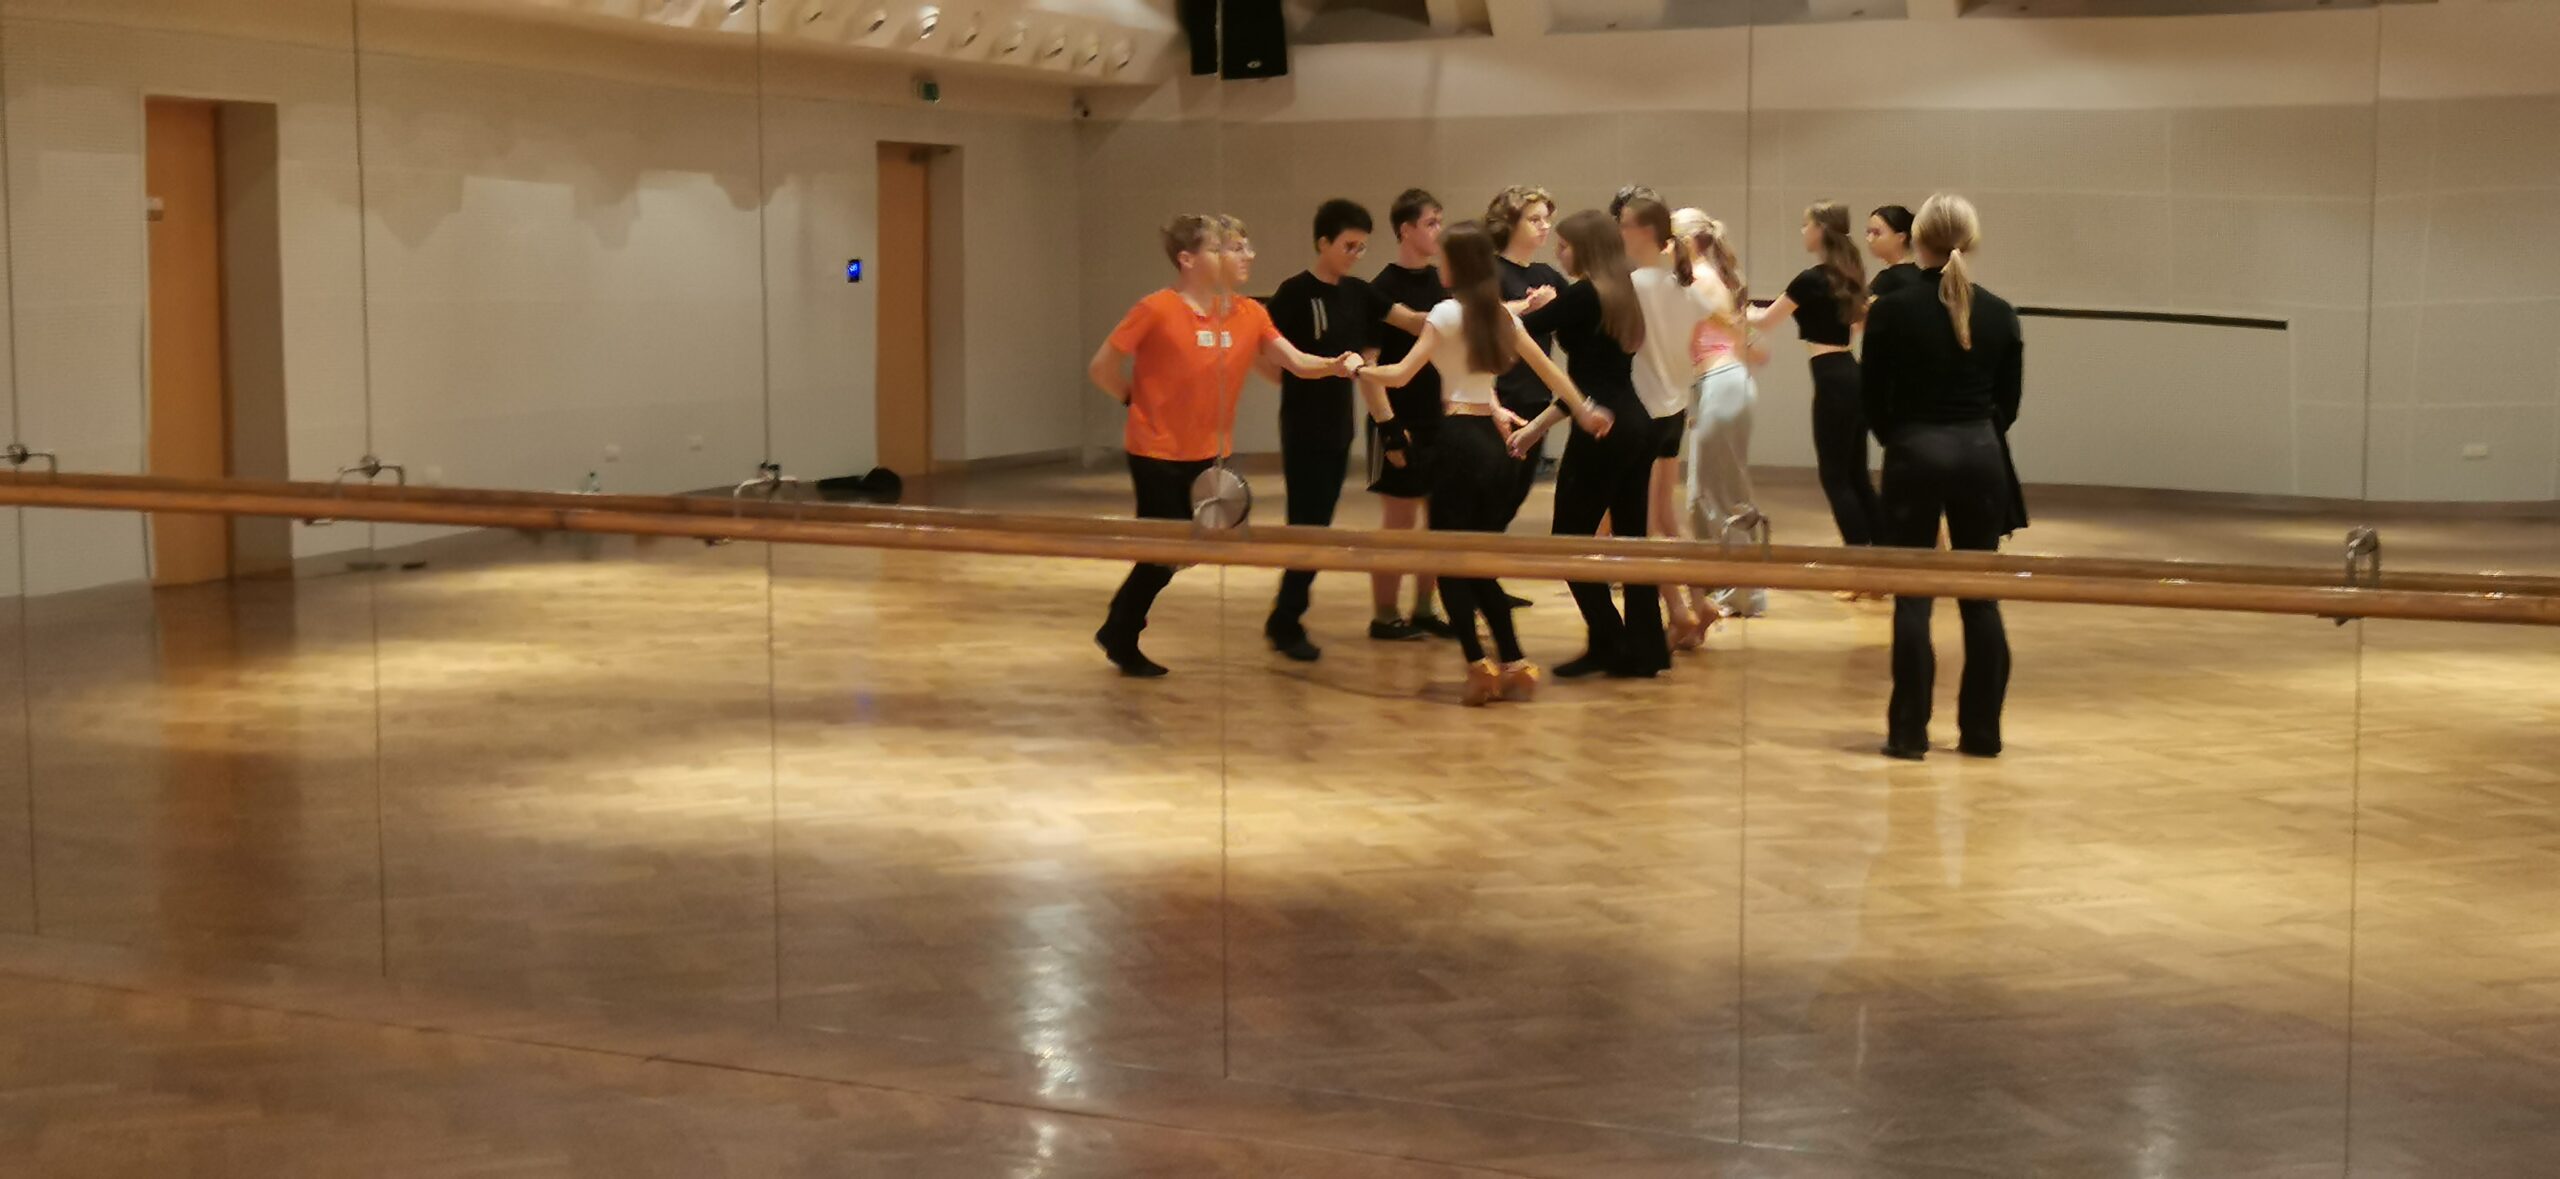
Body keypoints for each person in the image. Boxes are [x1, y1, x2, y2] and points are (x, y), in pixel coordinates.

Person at [1088, 214, 1360, 678]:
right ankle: (1120, 631)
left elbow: (1295, 361)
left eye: (1244, 247)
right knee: (1164, 550)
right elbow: (1102, 367)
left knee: (1187, 548)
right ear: (1188, 259)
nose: (1246, 256)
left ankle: (1119, 627)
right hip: (1155, 452)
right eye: (1229, 248)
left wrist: (1335, 364)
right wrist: (1136, 402)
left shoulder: (1250, 314)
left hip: (1209, 454)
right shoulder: (1156, 309)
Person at [1362, 221, 1613, 706]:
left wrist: (1358, 369)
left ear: (1456, 264)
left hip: (1455, 443)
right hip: (1494, 450)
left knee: (1450, 562)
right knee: (1480, 562)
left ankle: (1479, 665)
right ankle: (1514, 662)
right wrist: (1584, 412)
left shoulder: (1444, 312)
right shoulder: (1500, 316)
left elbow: (1400, 375)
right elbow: (1553, 374)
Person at [1862, 193, 2022, 760]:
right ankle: (1982, 732)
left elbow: (1871, 399)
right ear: (1970, 241)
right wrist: (1972, 433)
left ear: (1918, 240)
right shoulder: (2000, 312)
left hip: (1914, 453)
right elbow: (2008, 403)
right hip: (1981, 455)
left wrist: (1904, 439)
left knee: (1913, 597)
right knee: (1980, 598)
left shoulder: (1891, 309)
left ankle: (1908, 733)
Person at [1507, 210, 1664, 678]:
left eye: (1564, 245)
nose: (1558, 253)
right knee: (1632, 544)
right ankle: (1643, 649)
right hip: (1632, 422)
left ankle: (1614, 642)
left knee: (1568, 543)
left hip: (1603, 430)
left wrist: (1530, 305)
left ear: (1586, 249)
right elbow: (1590, 382)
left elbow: (1518, 333)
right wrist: (1537, 428)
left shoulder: (1583, 294)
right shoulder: (1621, 290)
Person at [1261, 199, 1381, 663]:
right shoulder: (1294, 292)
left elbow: (1397, 323)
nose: (1355, 254)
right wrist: (1294, 381)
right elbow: (1266, 351)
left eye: (1362, 247)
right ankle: (1286, 619)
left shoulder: (1357, 293)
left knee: (1319, 525)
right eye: (1349, 245)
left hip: (1339, 426)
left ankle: (1286, 614)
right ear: (1323, 242)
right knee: (1306, 525)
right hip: (1303, 427)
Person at [1754, 201, 1878, 555]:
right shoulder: (1849, 274)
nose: (1802, 231)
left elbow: (1765, 321)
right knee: (1856, 475)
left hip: (1832, 379)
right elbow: (1858, 325)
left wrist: (1727, 312)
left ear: (1820, 230)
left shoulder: (1811, 279)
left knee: (1834, 476)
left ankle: (1860, 558)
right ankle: (1884, 554)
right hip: (1851, 372)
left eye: (1805, 224)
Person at [1363, 189, 1456, 642]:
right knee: (1398, 524)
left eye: (1440, 221)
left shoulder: (1443, 283)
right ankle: (1384, 615)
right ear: (1406, 229)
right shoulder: (1380, 289)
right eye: (1431, 222)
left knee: (1438, 521)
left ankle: (1424, 608)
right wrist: (1389, 428)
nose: (1439, 230)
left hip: (1440, 420)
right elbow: (1368, 367)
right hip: (1399, 420)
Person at [1672, 206, 1767, 631]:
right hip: (1712, 385)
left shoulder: (1701, 279)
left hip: (1722, 384)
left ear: (1689, 241)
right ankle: (1717, 583)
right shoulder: (1700, 278)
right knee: (1700, 496)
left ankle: (1743, 592)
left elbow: (1734, 328)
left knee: (1724, 493)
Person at [1483, 185, 1564, 540]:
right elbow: (1477, 315)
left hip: (1536, 397)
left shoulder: (1546, 274)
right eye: (1534, 219)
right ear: (1509, 223)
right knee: (1494, 490)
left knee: (1516, 492)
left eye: (1546, 219)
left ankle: (1487, 565)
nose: (1545, 226)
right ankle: (1475, 566)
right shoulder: (1490, 271)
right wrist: (1528, 306)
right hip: (1498, 396)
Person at [1866, 205, 1924, 300]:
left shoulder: (1890, 280)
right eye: (1868, 232)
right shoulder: (1920, 275)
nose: (1869, 239)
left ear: (1901, 237)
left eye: (1877, 233)